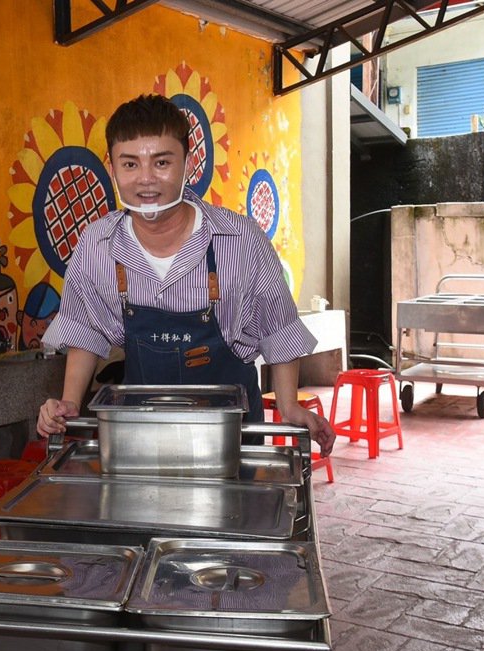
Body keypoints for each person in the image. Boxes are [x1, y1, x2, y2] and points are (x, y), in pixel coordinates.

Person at [36, 94, 335, 456]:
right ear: (112, 168)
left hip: (230, 440)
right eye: (130, 164)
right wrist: (69, 401)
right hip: (143, 437)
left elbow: (279, 328)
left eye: (161, 162)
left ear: (187, 163)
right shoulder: (97, 245)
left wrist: (289, 406)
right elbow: (84, 328)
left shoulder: (240, 240)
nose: (146, 179)